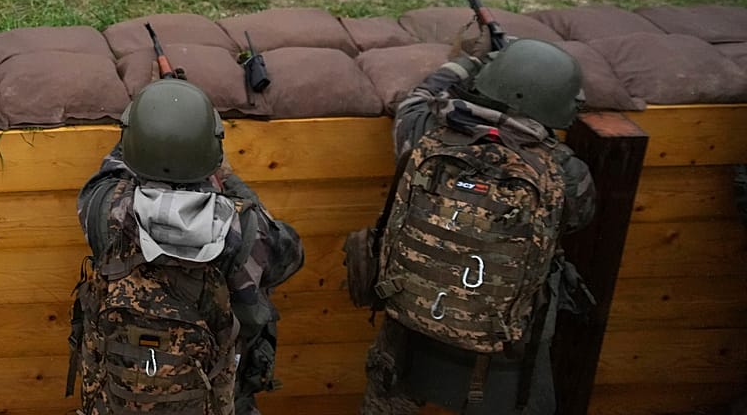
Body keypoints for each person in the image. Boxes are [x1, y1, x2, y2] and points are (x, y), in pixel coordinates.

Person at [360, 38, 597, 415]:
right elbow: (580, 218)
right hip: (506, 356)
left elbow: (418, 96)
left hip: (410, 338)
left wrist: (473, 61)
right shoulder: (565, 173)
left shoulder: (425, 133)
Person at [71, 77, 305, 415]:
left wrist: (150, 124)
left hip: (115, 400)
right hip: (219, 399)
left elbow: (109, 171)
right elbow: (290, 255)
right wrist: (229, 177)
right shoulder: (244, 227)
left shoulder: (103, 209)